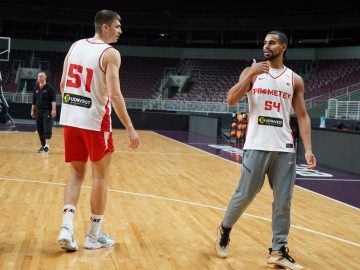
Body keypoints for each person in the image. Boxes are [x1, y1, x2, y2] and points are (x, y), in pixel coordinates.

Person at [214, 31, 316, 270]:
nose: (266, 46)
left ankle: (278, 250)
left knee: (284, 200)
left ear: (283, 47)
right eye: (264, 43)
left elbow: (302, 115)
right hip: (256, 144)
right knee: (245, 195)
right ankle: (225, 229)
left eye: (271, 43)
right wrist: (250, 74)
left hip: (284, 148)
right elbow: (230, 99)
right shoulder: (252, 73)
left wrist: (308, 149)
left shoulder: (294, 79)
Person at [57, 9, 140, 251]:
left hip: (71, 120)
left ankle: (66, 227)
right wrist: (130, 128)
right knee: (100, 176)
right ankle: (93, 236)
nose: (120, 30)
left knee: (76, 175)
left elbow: (63, 84)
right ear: (105, 27)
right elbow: (114, 94)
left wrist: (76, 108)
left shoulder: (75, 46)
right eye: (117, 26)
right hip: (95, 123)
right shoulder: (110, 53)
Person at [31, 71, 57, 153]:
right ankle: (43, 145)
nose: (39, 77)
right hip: (38, 111)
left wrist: (53, 110)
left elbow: (53, 100)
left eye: (41, 76)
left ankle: (47, 146)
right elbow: (34, 101)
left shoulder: (49, 87)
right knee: (39, 129)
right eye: (38, 76)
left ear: (45, 77)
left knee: (47, 128)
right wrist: (32, 111)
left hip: (47, 110)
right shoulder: (36, 88)